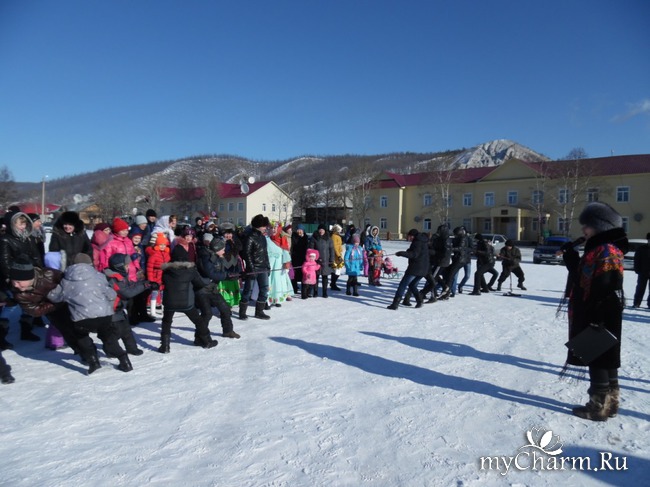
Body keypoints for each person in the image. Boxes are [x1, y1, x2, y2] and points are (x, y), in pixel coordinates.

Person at [561, 202, 627, 421]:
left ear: (599, 226)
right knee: (605, 357)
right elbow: (585, 277)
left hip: (601, 311)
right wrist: (572, 259)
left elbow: (606, 283)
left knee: (598, 356)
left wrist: (596, 316)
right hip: (600, 309)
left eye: (586, 226)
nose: (583, 230)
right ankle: (611, 402)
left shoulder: (606, 250)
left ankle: (598, 406)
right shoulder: (599, 248)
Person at [47, 254, 133, 374]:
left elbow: (55, 297)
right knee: (108, 337)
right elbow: (111, 294)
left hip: (82, 319)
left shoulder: (66, 280)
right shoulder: (99, 276)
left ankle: (94, 362)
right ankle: (125, 361)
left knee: (82, 337)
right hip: (104, 316)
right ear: (90, 264)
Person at [0, 211, 44, 341]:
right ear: (12, 224)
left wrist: (39, 272)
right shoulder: (5, 240)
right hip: (13, 280)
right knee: (10, 305)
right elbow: (5, 262)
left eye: (24, 223)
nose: (23, 226)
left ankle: (26, 331)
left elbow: (36, 256)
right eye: (20, 223)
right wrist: (12, 279)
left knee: (28, 304)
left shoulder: (28, 238)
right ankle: (1, 336)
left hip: (29, 277)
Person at [158, 259, 218, 352]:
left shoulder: (166, 272)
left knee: (166, 322)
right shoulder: (190, 271)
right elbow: (200, 283)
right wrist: (209, 279)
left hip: (169, 302)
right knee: (199, 321)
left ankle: (165, 346)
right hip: (186, 303)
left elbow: (162, 282)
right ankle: (207, 341)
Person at [104, 253, 152, 356]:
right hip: (112, 310)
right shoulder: (114, 278)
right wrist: (145, 286)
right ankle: (110, 350)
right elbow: (127, 293)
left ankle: (132, 348)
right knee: (116, 332)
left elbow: (131, 285)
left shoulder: (121, 276)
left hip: (119, 309)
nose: (128, 268)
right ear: (119, 266)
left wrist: (146, 283)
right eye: (126, 266)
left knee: (127, 330)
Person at [196, 237, 241, 339]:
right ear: (217, 248)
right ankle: (200, 336)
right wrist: (227, 276)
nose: (224, 251)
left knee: (225, 309)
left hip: (212, 288)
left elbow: (222, 271)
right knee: (207, 314)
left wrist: (235, 275)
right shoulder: (206, 257)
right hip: (202, 290)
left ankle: (228, 331)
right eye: (223, 249)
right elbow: (211, 273)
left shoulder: (216, 256)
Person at [239, 214, 271, 320]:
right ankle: (242, 312)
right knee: (248, 290)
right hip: (253, 268)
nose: (265, 228)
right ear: (258, 226)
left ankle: (259, 311)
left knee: (264, 289)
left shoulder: (263, 237)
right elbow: (246, 254)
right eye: (264, 226)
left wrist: (268, 266)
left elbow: (265, 253)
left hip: (263, 268)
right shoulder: (250, 237)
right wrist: (251, 268)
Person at [387, 229, 428, 310]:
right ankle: (419, 301)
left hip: (416, 268)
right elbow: (418, 253)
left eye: (409, 236)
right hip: (424, 268)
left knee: (403, 284)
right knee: (412, 285)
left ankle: (395, 304)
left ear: (412, 236)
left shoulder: (417, 242)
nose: (408, 238)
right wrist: (408, 251)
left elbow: (414, 254)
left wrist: (402, 253)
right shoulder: (423, 241)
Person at [145, 232, 171, 317]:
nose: (163, 246)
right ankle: (152, 310)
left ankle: (163, 309)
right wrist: (151, 279)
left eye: (164, 244)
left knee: (164, 294)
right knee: (154, 293)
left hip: (164, 277)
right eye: (161, 245)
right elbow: (149, 267)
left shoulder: (167, 254)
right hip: (156, 277)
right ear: (157, 245)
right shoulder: (154, 254)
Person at [267, 223, 293, 306]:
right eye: (272, 228)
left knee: (277, 281)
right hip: (269, 263)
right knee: (268, 280)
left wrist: (286, 262)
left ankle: (277, 299)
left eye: (275, 228)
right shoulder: (266, 239)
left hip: (279, 263)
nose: (273, 230)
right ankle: (267, 300)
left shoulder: (282, 238)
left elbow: (285, 251)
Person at [309, 224, 335, 297]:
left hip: (326, 261)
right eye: (320, 229)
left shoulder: (329, 239)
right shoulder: (314, 238)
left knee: (325, 277)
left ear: (325, 230)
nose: (321, 231)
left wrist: (331, 259)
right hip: (316, 261)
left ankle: (324, 292)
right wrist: (313, 259)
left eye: (322, 230)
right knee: (315, 277)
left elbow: (332, 250)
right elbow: (311, 249)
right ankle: (315, 292)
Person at [290, 225, 309, 295]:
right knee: (294, 274)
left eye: (301, 230)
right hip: (295, 257)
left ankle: (304, 290)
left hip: (303, 258)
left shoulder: (306, 237)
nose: (299, 231)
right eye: (298, 229)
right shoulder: (294, 236)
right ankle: (294, 288)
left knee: (303, 274)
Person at [632, 232, 650, 308]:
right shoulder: (641, 249)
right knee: (640, 288)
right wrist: (637, 269)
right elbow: (637, 260)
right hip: (643, 272)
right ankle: (637, 302)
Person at [330, 224, 345, 291]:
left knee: (338, 270)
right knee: (336, 271)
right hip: (336, 256)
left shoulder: (338, 236)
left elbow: (339, 246)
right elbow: (335, 247)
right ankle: (333, 283)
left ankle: (333, 283)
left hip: (338, 255)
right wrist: (338, 255)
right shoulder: (334, 236)